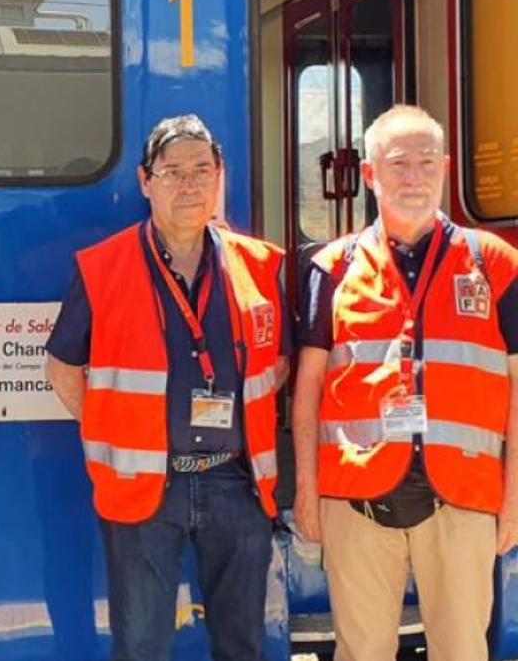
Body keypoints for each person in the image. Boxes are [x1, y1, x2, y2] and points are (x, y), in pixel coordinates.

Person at [44, 114, 290, 661]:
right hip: (144, 487)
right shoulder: (101, 268)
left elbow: (280, 364)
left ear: (219, 177)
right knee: (141, 646)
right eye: (173, 171)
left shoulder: (260, 266)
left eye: (202, 170)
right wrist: (113, 426)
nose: (189, 184)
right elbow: (62, 367)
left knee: (242, 644)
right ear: (145, 180)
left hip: (236, 483)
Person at [291, 104, 518, 661]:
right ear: (371, 175)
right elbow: (307, 393)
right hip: (357, 503)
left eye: (425, 163)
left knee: (463, 651)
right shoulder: (333, 267)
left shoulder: (496, 264)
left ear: (444, 167)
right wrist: (306, 490)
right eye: (398, 164)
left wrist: (513, 499)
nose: (413, 177)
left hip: (462, 501)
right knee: (360, 651)